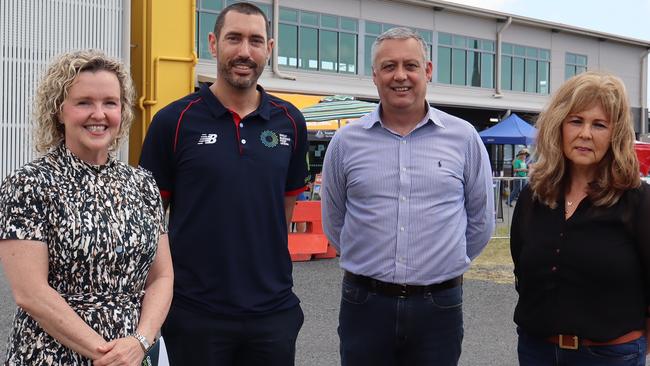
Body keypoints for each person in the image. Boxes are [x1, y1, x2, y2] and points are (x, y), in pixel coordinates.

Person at [138, 2, 309, 365]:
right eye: (234, 39)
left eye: (255, 41)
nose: (244, 51)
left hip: (272, 313)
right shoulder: (174, 121)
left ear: (269, 49)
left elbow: (284, 210)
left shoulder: (290, 122)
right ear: (213, 44)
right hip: (195, 313)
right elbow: (151, 223)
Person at [321, 27, 495, 366]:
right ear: (375, 76)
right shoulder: (345, 142)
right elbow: (334, 221)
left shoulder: (464, 138)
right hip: (364, 303)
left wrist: (438, 266)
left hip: (438, 305)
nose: (400, 76)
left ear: (427, 71)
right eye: (389, 67)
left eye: (410, 65)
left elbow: (480, 222)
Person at [0, 50, 173, 365]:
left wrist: (141, 341)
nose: (99, 114)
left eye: (110, 102)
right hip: (52, 354)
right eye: (84, 103)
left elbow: (162, 277)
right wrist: (106, 354)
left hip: (134, 353)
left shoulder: (143, 184)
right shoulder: (29, 184)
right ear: (59, 110)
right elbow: (31, 293)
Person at [510, 71, 650, 365]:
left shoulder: (637, 200)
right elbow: (523, 273)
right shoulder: (533, 197)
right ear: (558, 126)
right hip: (537, 351)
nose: (585, 133)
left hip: (610, 355)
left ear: (615, 134)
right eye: (576, 121)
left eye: (599, 125)